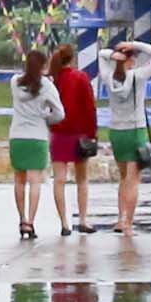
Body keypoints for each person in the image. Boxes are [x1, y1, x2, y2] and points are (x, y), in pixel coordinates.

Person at [91, 36, 151, 232]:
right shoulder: (139, 76)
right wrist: (134, 44)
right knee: (133, 180)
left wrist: (114, 54)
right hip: (136, 131)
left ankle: (120, 219)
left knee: (123, 178)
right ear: (131, 60)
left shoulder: (108, 77)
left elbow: (101, 54)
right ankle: (128, 222)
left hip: (116, 132)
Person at [1, 38, 58, 239]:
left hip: (17, 136)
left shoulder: (14, 83)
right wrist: (46, 116)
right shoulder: (47, 86)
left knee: (19, 180)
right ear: (43, 66)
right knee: (35, 182)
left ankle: (21, 218)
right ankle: (30, 222)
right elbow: (60, 113)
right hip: (38, 136)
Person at [48, 37, 98, 234]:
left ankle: (64, 223)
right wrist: (93, 133)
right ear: (73, 58)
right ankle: (83, 220)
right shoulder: (81, 78)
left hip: (59, 134)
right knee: (82, 180)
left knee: (59, 179)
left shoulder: (54, 80)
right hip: (80, 135)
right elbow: (90, 108)